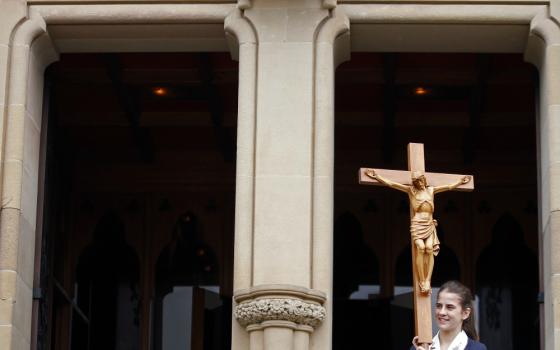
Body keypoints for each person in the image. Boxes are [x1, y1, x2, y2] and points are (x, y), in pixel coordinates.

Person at [365, 169, 470, 293]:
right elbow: (392, 184)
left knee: (429, 249)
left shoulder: (431, 190)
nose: (419, 183)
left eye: (420, 181)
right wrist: (377, 176)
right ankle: (421, 279)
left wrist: (460, 182)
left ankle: (427, 280)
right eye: (416, 182)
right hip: (417, 224)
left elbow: (447, 187)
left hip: (429, 224)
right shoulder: (411, 191)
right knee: (420, 247)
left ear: (424, 180)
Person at [411, 280, 487, 350]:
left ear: (465, 313)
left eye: (450, 307)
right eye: (439, 306)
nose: (442, 312)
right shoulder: (418, 348)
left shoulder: (477, 348)